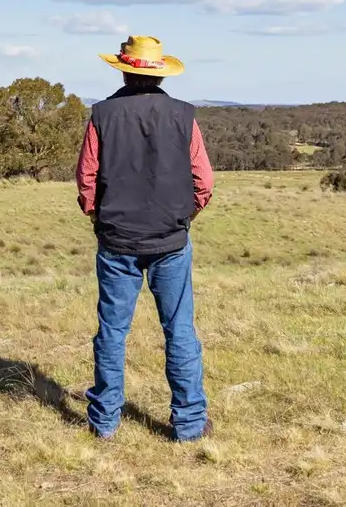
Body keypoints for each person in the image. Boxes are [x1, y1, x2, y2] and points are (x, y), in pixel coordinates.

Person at [75, 34, 214, 442]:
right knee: (180, 330)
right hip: (171, 241)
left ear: (122, 68)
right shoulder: (184, 115)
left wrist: (97, 217)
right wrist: (183, 216)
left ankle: (104, 423)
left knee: (112, 332)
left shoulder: (102, 115)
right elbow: (203, 182)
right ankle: (189, 425)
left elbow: (87, 180)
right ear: (159, 72)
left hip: (116, 241)